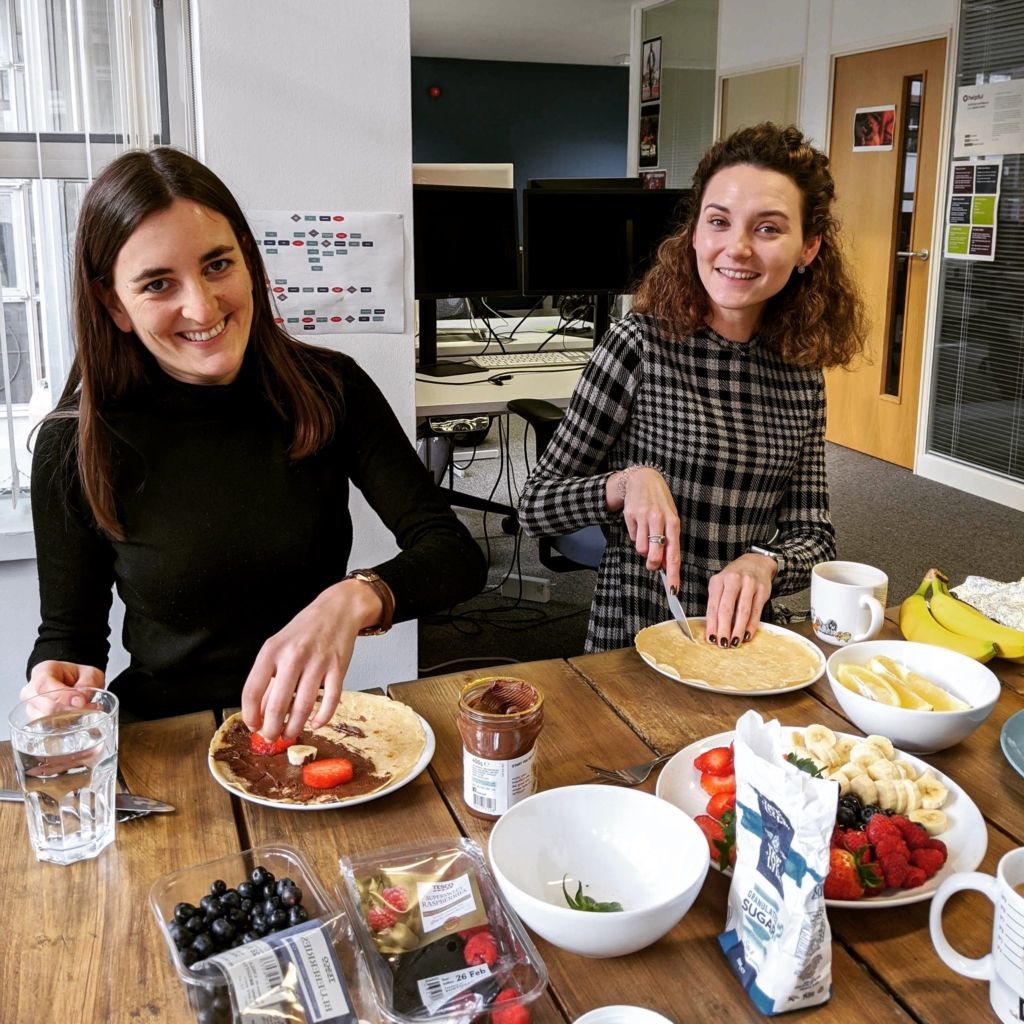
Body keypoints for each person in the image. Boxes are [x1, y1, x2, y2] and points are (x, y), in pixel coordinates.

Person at [24, 147, 486, 739]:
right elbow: (70, 638)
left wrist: (350, 599)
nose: (202, 306)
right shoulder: (74, 441)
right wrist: (55, 683)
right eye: (159, 284)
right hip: (167, 739)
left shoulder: (330, 387)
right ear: (114, 304)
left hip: (306, 731)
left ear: (248, 260)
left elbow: (452, 553)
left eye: (218, 265)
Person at [517, 123, 868, 653]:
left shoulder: (801, 373)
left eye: (769, 229)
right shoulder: (638, 344)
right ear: (696, 234)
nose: (738, 248)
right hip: (634, 636)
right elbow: (534, 505)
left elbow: (815, 538)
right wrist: (626, 482)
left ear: (809, 247)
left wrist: (765, 562)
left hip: (745, 642)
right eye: (719, 221)